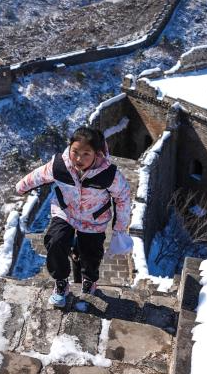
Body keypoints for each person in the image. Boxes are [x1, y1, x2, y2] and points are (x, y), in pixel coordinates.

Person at [15, 126, 132, 307]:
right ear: (69, 148)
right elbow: (39, 175)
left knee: (91, 254)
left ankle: (89, 279)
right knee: (55, 241)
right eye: (75, 152)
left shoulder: (108, 174)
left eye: (86, 154)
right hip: (66, 212)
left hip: (93, 220)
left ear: (97, 153)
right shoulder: (60, 165)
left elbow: (123, 196)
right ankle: (61, 282)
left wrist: (119, 228)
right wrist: (21, 187)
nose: (79, 159)